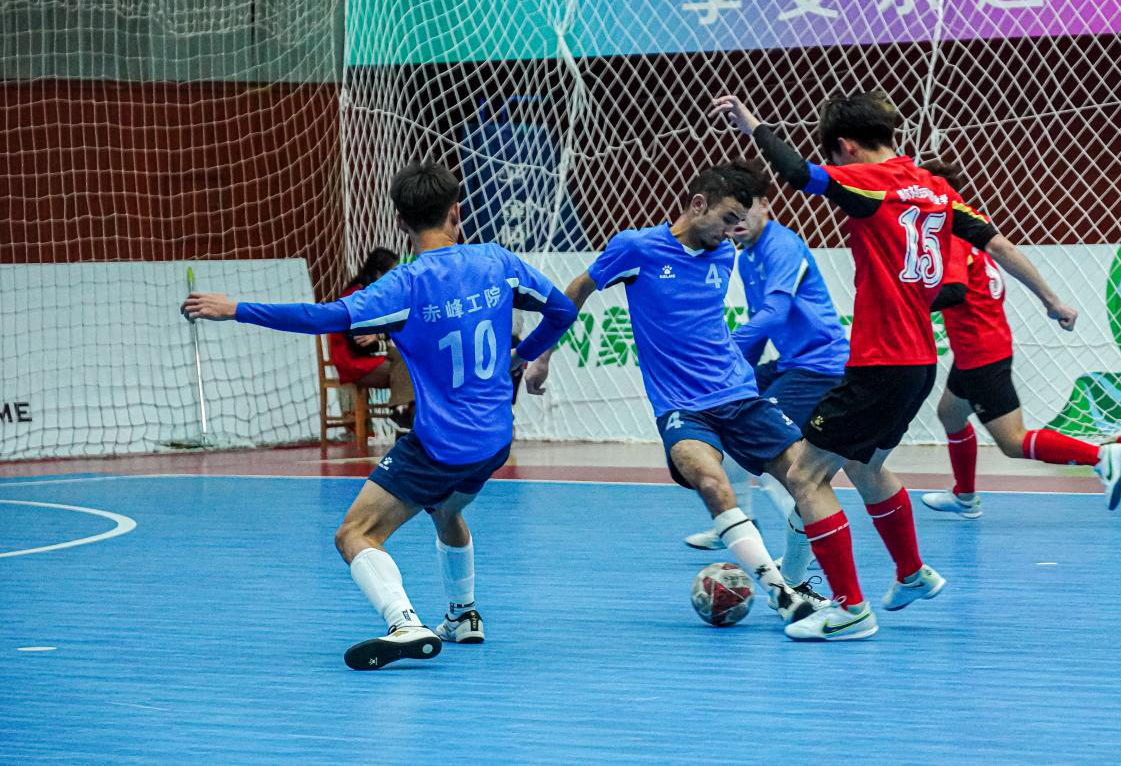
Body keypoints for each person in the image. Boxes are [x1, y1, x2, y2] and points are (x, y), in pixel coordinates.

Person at [711, 90, 1079, 640]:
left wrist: (754, 126)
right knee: (865, 468)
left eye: (834, 155)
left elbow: (796, 173)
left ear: (845, 146)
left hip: (880, 362)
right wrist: (1052, 299)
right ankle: (911, 574)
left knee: (805, 475)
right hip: (919, 364)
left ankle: (850, 611)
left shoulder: (869, 183)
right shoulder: (935, 189)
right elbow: (998, 244)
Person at [181, 161, 577, 670]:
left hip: (440, 445)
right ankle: (463, 616)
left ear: (401, 222)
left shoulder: (404, 285)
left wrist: (236, 308)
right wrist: (521, 358)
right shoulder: (497, 261)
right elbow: (562, 310)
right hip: (496, 439)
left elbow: (320, 317)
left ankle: (404, 623)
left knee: (355, 534)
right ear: (457, 211)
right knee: (447, 510)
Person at [523, 164, 830, 630]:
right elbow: (576, 291)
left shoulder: (723, 255)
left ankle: (796, 580)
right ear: (698, 204)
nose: (732, 232)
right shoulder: (636, 248)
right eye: (727, 219)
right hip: (681, 407)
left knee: (809, 482)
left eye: (739, 222)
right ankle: (780, 594)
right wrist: (542, 355)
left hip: (738, 394)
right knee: (710, 481)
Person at [917, 160, 1121, 517]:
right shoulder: (973, 229)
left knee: (1013, 441)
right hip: (982, 345)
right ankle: (965, 497)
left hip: (980, 354)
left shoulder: (948, 237)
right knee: (950, 414)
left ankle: (1100, 457)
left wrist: (900, 301)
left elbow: (952, 292)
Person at [682, 160, 850, 600]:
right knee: (728, 416)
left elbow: (774, 314)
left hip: (819, 366)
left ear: (766, 207)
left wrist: (725, 349)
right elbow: (762, 332)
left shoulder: (782, 246)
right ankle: (742, 518)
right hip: (791, 362)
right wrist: (733, 374)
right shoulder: (748, 255)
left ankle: (805, 540)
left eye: (747, 209)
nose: (738, 221)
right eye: (731, 213)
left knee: (777, 454)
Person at [328, 247, 414, 433]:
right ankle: (401, 415)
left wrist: (380, 337)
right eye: (392, 273)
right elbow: (360, 345)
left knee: (411, 362)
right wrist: (384, 338)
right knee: (412, 371)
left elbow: (394, 329)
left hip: (371, 356)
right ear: (378, 274)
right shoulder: (356, 296)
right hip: (353, 361)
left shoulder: (377, 294)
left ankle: (402, 415)